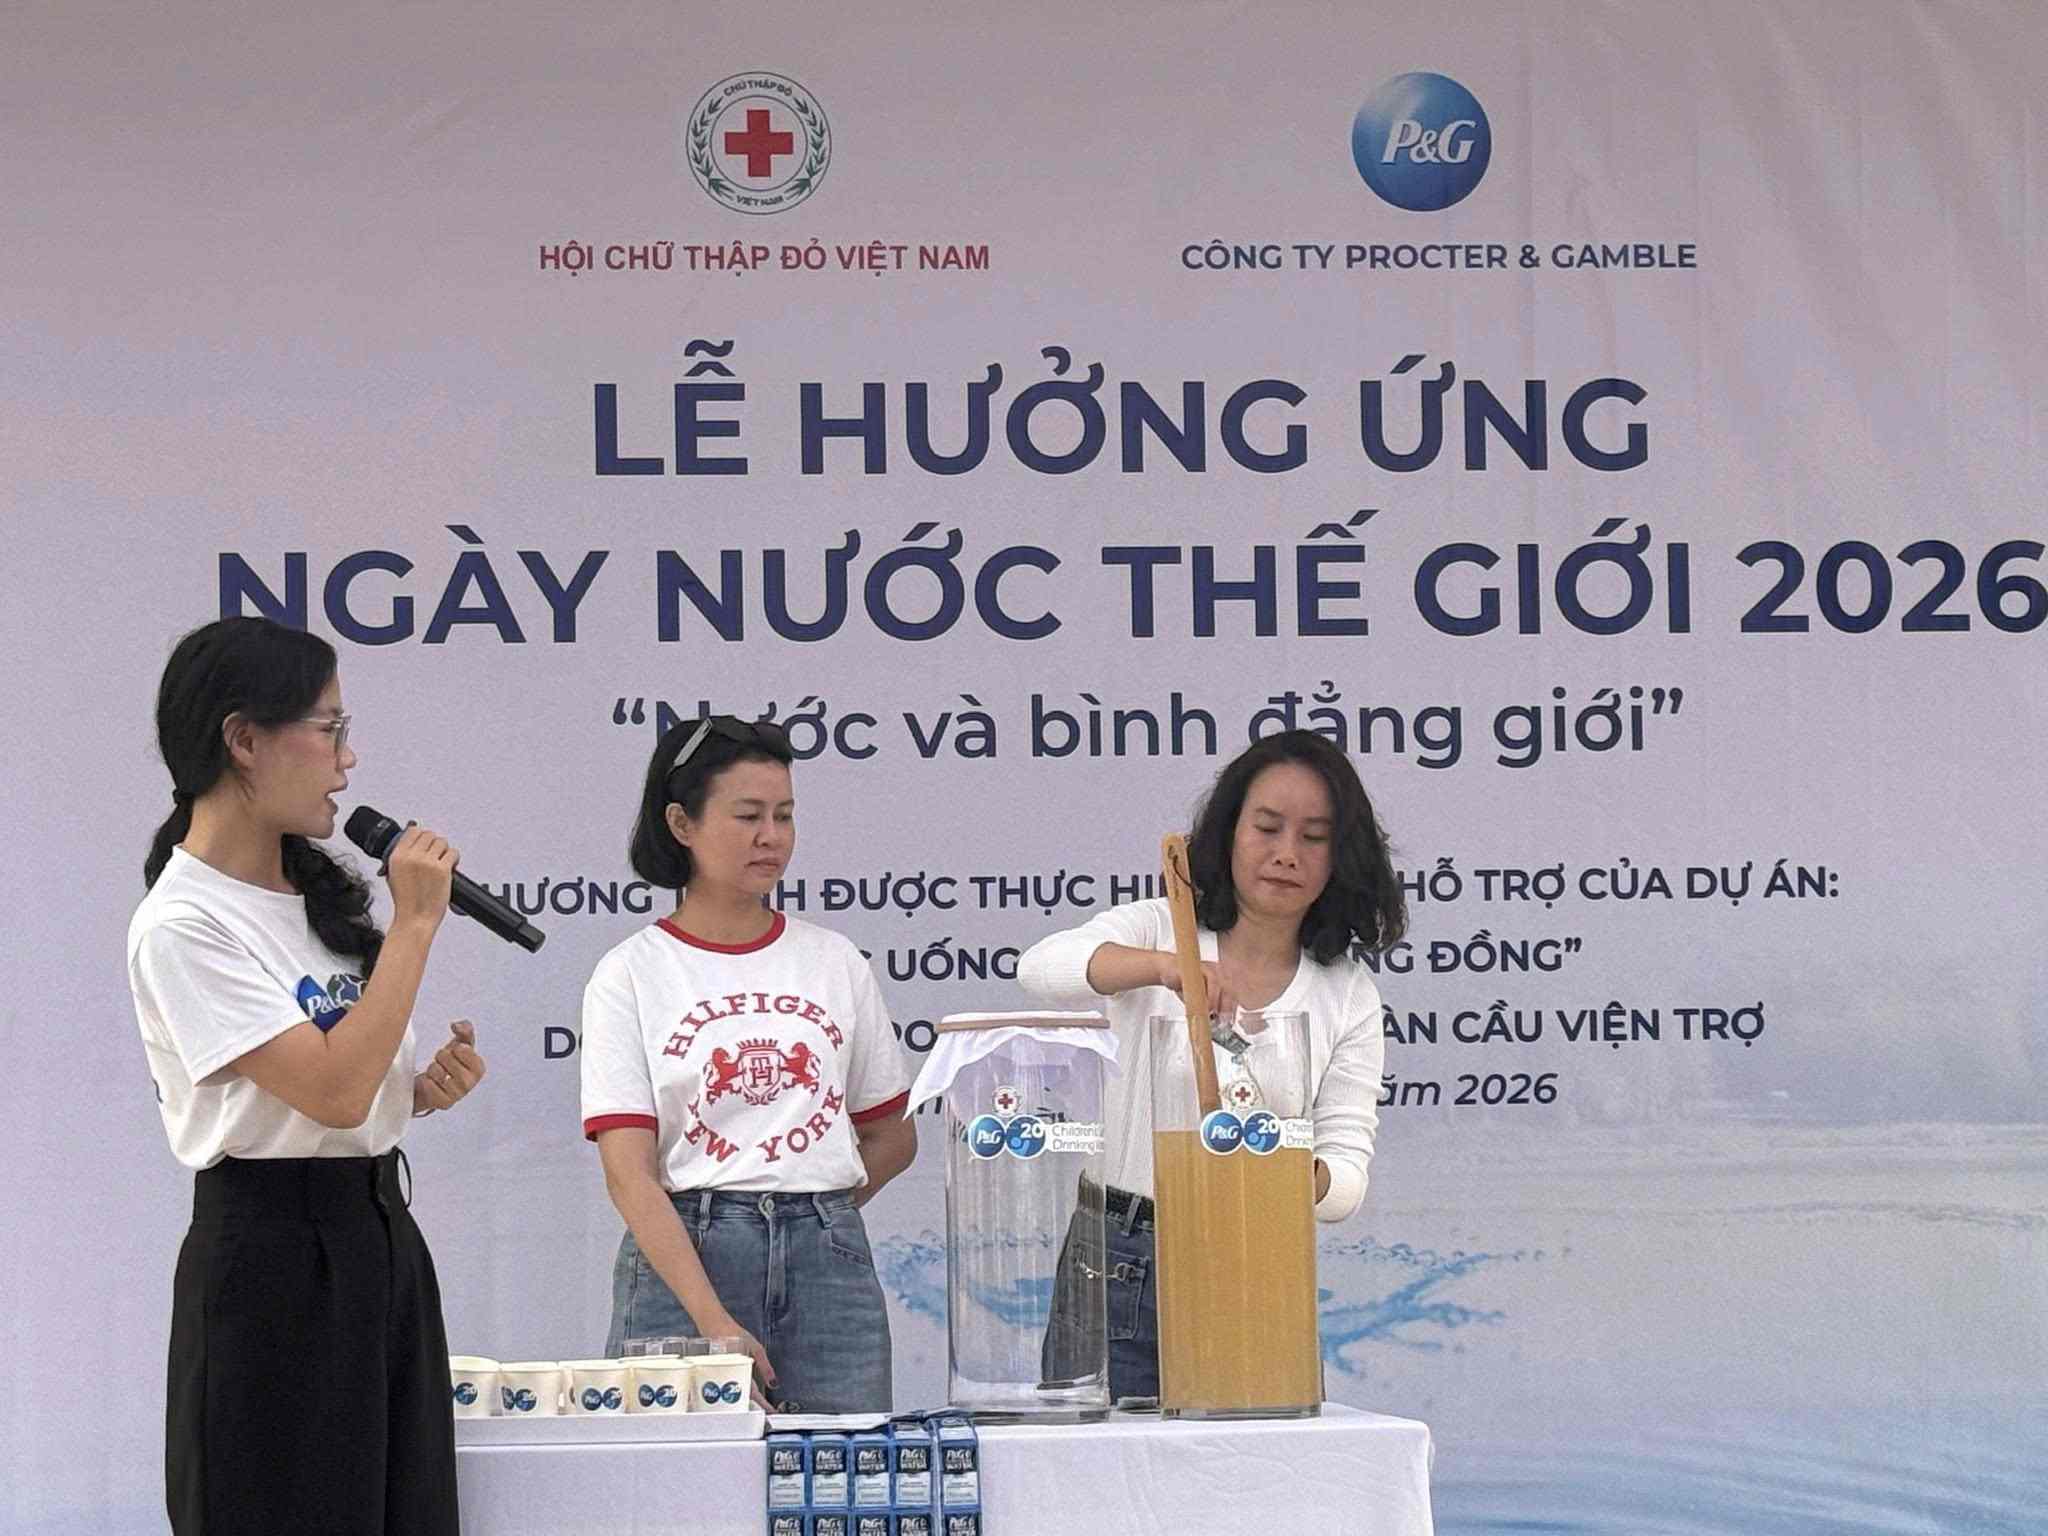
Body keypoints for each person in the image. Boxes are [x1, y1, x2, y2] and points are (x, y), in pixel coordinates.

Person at [128, 617, 487, 1536]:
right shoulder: (186, 920)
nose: (349, 758)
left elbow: (342, 1090)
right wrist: (413, 926)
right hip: (272, 1260)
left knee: (404, 1510)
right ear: (243, 740)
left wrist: (411, 1093)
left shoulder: (307, 896)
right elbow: (326, 1091)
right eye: (328, 730)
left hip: (376, 1234)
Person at [1018, 729, 1406, 1399]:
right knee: (1103, 1484)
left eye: (1314, 837)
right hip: (1118, 1256)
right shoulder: (1158, 926)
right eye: (1267, 827)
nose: (1286, 854)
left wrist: (1290, 1168)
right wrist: (1166, 969)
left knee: (1256, 1483)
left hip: (1257, 1256)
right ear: (1229, 832)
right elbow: (1042, 969)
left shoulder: (1347, 993)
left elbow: (1346, 1178)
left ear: (1342, 857)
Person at [580, 715, 917, 1412]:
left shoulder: (834, 960)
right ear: (682, 824)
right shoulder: (632, 972)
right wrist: (713, 1320)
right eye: (748, 815)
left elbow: (893, 1135)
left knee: (841, 1488)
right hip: (686, 1258)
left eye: (785, 815)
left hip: (830, 1268)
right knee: (675, 1501)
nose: (772, 837)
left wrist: (812, 1216)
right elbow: (629, 1173)